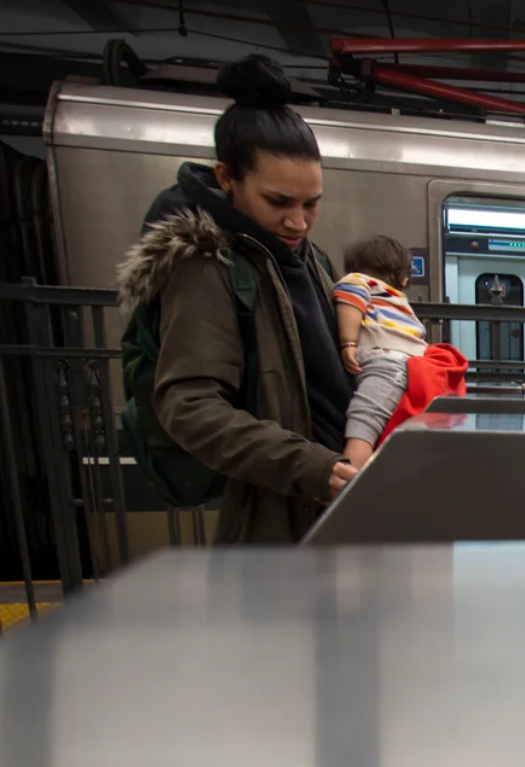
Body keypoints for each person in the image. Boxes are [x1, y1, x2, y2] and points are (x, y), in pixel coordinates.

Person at [116, 54, 357, 544]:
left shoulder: (310, 259)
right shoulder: (207, 265)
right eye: (278, 202)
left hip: (335, 496)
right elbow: (188, 404)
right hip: (281, 511)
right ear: (227, 178)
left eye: (311, 204)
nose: (299, 222)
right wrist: (311, 466)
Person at [334, 236, 429, 467]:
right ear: (403, 279)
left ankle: (348, 482)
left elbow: (350, 302)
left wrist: (348, 343)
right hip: (410, 366)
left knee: (363, 426)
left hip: (385, 361)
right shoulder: (396, 297)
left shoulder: (357, 281)